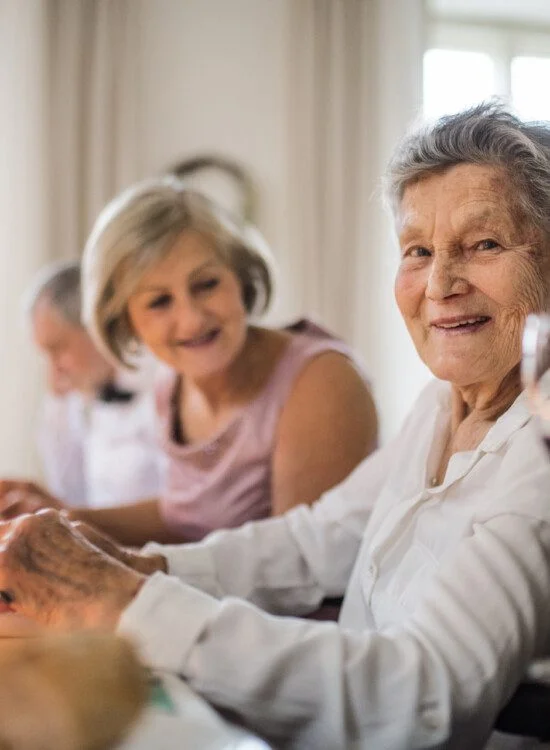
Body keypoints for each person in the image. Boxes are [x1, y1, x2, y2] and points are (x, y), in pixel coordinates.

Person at [3, 102, 548, 749]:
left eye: (484, 243)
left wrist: (129, 600)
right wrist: (139, 567)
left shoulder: (539, 451)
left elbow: (425, 698)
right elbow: (313, 540)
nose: (439, 284)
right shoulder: (440, 403)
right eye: (418, 250)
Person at [0, 185, 378, 545]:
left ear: (241, 276)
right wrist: (59, 515)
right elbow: (184, 518)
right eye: (159, 302)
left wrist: (129, 572)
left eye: (207, 284)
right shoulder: (173, 385)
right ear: (125, 321)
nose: (192, 319)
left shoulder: (320, 383)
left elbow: (296, 572)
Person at [0, 261, 163, 510]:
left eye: (58, 349)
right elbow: (70, 492)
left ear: (96, 325)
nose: (54, 370)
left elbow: (183, 511)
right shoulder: (83, 394)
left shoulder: (163, 383)